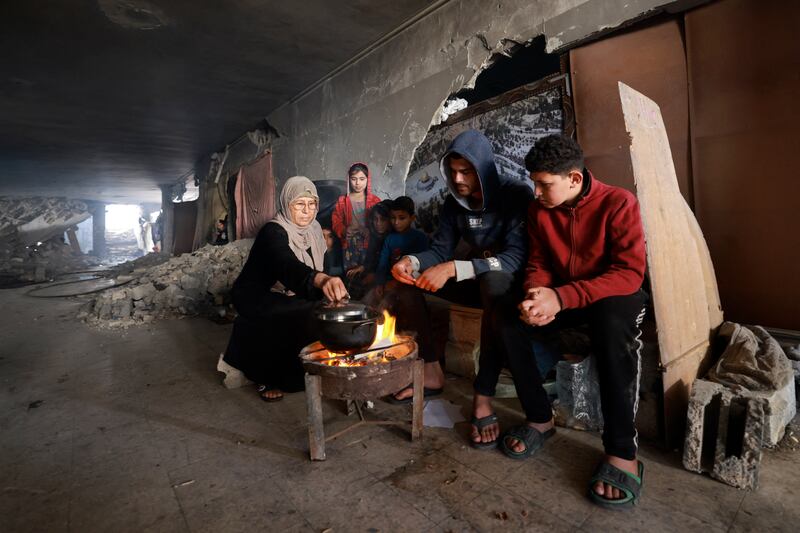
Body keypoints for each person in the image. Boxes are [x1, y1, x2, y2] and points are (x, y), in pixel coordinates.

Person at [492, 134, 648, 509]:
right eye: (534, 183)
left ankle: (622, 451)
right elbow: (540, 262)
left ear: (575, 179)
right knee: (508, 317)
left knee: (612, 325)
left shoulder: (619, 202)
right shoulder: (539, 211)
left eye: (544, 184)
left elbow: (629, 273)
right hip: (565, 296)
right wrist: (536, 295)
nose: (538, 192)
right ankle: (540, 419)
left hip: (611, 295)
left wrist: (561, 298)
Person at [388, 130, 532, 407]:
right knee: (403, 282)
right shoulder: (453, 203)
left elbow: (516, 258)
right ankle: (431, 371)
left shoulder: (515, 195)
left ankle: (483, 392)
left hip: (510, 286)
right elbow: (439, 250)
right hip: (475, 280)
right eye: (452, 171)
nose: (457, 179)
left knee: (494, 284)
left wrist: (454, 268)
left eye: (466, 171)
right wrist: (412, 262)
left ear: (484, 170)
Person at [222, 176, 348, 402]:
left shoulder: (314, 229)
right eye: (299, 204)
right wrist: (320, 281)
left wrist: (329, 285)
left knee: (324, 309)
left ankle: (310, 367)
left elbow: (321, 264)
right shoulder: (273, 232)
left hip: (294, 288)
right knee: (292, 312)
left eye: (312, 205)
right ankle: (267, 377)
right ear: (287, 203)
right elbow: (286, 264)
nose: (306, 211)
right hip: (255, 294)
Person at [331, 162, 381, 290]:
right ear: (349, 180)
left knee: (368, 275)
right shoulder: (342, 201)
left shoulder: (375, 201)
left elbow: (381, 223)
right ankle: (352, 300)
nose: (358, 183)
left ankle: (369, 304)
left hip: (368, 245)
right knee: (351, 276)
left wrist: (369, 231)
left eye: (362, 179)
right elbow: (336, 221)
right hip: (349, 245)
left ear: (367, 180)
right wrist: (343, 230)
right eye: (354, 179)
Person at [375, 196, 428, 287]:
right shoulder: (389, 238)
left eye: (402, 218)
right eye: (393, 218)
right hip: (389, 282)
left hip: (411, 283)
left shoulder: (420, 238)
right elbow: (382, 265)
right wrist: (379, 284)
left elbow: (424, 266)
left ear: (412, 218)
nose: (396, 222)